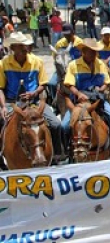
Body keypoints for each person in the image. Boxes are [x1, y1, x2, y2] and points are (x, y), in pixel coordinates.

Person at [0, 32, 64, 163]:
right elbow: (0, 88)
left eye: (26, 45)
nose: (25, 48)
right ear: (13, 48)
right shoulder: (3, 64)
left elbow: (43, 84)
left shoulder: (37, 61)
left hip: (34, 102)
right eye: (21, 45)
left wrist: (34, 93)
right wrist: (3, 107)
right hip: (12, 103)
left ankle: (58, 155)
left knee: (56, 124)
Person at [61, 38, 110, 150]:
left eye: (95, 51)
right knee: (64, 126)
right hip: (79, 102)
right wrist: (79, 94)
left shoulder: (100, 64)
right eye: (91, 51)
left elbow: (106, 82)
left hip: (97, 100)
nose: (94, 54)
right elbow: (69, 84)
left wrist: (101, 89)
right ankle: (66, 152)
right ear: (83, 52)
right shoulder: (73, 65)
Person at [48, 24, 84, 103]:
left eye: (69, 34)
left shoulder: (80, 43)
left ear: (73, 32)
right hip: (62, 68)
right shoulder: (60, 44)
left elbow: (83, 57)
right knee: (51, 83)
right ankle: (54, 103)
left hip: (77, 68)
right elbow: (55, 58)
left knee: (79, 82)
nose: (67, 36)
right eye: (65, 34)